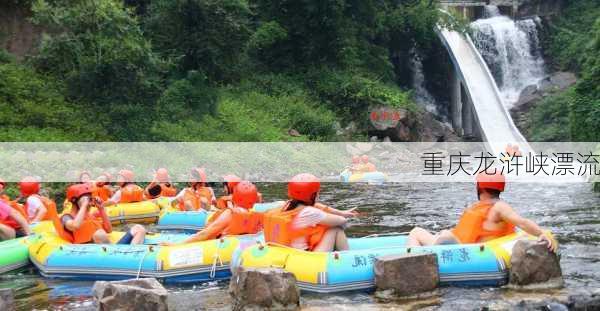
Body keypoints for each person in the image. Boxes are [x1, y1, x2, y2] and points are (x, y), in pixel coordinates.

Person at [406, 170, 557, 252]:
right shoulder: (489, 205)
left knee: (416, 231)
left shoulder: (499, 207)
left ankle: (413, 259)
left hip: (462, 250)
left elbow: (522, 223)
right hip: (463, 245)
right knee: (444, 233)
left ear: (481, 187)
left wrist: (541, 233)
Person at [263, 173, 358, 252]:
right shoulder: (309, 213)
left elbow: (315, 206)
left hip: (282, 254)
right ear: (312, 195)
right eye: (317, 192)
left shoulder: (285, 205)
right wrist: (341, 216)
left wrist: (341, 212)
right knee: (336, 229)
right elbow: (341, 221)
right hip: (304, 258)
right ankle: (347, 257)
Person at [163, 181, 262, 245]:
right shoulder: (254, 215)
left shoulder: (230, 214)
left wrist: (178, 245)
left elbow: (206, 234)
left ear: (235, 196)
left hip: (220, 249)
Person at [56, 184, 146, 244]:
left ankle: (132, 256)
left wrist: (101, 209)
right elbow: (75, 226)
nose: (89, 202)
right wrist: (84, 205)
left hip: (109, 249)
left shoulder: (90, 216)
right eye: (87, 199)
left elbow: (109, 230)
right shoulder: (66, 217)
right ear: (75, 201)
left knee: (139, 228)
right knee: (99, 234)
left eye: (90, 199)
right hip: (88, 251)